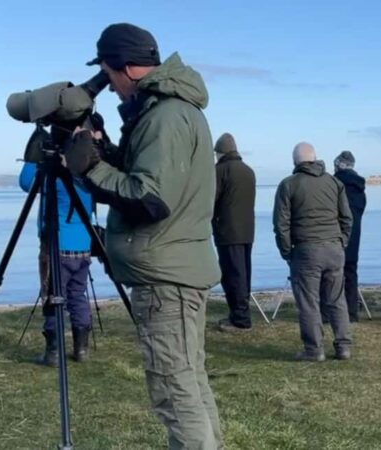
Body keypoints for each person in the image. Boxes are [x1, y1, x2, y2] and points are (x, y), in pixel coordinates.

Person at [65, 23, 223, 448]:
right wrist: (107, 152)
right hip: (176, 266)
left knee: (175, 391)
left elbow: (150, 198)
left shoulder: (164, 115)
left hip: (164, 275)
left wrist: (89, 168)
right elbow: (151, 178)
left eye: (108, 74)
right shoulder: (173, 110)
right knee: (189, 382)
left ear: (126, 69)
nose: (110, 87)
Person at [19, 128, 94, 366]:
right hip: (83, 247)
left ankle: (53, 352)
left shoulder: (57, 176)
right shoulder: (86, 172)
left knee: (53, 296)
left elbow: (26, 182)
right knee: (77, 295)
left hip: (56, 247)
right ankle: (81, 350)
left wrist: (35, 151)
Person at [273, 142, 354, 361]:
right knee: (336, 299)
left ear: (294, 161)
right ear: (316, 158)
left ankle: (314, 349)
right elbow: (347, 218)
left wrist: (286, 252)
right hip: (334, 248)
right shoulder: (334, 182)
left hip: (307, 249)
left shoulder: (288, 185)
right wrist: (342, 241)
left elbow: (281, 224)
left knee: (309, 302)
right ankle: (343, 346)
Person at [212, 132, 256, 331]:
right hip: (247, 231)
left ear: (220, 152)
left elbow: (210, 201)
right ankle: (241, 313)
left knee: (232, 275)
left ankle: (240, 318)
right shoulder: (249, 171)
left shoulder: (220, 171)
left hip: (228, 231)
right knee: (244, 274)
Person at [333, 151, 366, 322]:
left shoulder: (336, 185)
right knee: (351, 271)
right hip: (355, 235)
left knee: (332, 274)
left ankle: (331, 311)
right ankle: (352, 312)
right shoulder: (360, 187)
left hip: (337, 235)